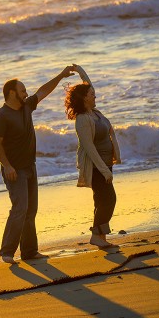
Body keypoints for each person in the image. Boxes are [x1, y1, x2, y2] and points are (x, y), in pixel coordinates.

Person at [0, 65, 77, 264]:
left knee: (31, 211)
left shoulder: (26, 107)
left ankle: (29, 251)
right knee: (20, 208)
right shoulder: (1, 116)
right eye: (22, 90)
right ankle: (7, 252)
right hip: (14, 170)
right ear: (12, 93)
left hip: (30, 166)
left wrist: (61, 75)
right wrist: (7, 166)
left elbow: (43, 91)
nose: (26, 93)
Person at [64, 64, 121, 248]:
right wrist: (104, 171)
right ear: (84, 99)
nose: (94, 95)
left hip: (104, 163)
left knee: (101, 200)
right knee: (109, 199)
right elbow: (89, 148)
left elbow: (89, 86)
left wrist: (80, 70)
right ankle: (96, 235)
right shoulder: (82, 119)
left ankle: (101, 237)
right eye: (91, 95)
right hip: (96, 166)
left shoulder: (94, 112)